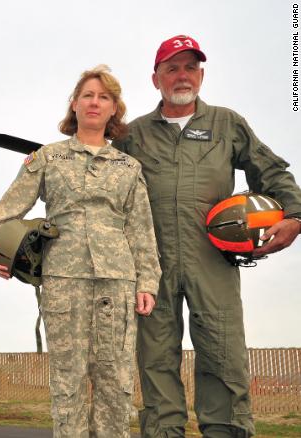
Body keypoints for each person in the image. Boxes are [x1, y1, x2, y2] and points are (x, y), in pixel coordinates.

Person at [114, 35, 301, 437]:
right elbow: (100, 183)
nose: (182, 76)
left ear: (201, 75)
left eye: (190, 67)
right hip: (150, 266)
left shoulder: (227, 123)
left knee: (222, 354)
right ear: (155, 78)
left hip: (212, 260)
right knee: (156, 359)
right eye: (172, 68)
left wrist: (295, 215)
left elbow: (272, 173)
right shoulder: (133, 134)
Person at [0, 65, 161, 437]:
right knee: (68, 385)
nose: (95, 102)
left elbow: (140, 228)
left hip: (117, 285)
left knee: (116, 386)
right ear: (74, 105)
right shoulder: (47, 158)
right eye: (88, 95)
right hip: (63, 283)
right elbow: (9, 207)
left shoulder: (129, 167)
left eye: (104, 97)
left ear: (113, 111)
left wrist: (148, 282)